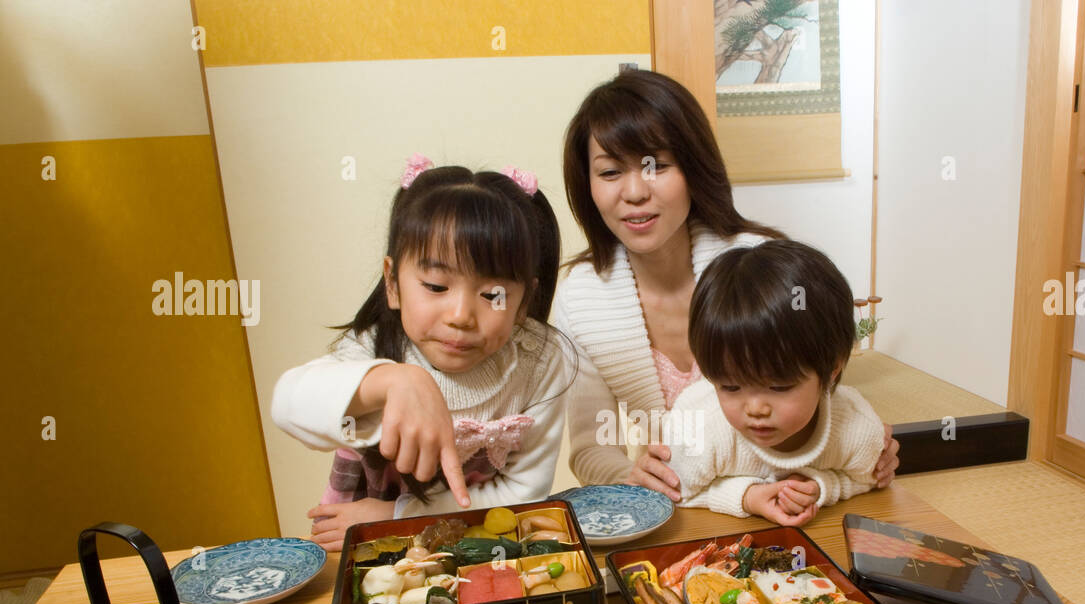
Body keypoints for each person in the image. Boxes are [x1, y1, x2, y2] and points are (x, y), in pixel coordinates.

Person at [550, 69, 900, 499]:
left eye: (656, 165)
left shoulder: (758, 260)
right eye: (608, 173)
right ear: (586, 184)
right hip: (682, 500)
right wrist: (631, 476)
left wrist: (867, 443)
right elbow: (591, 448)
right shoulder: (581, 298)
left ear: (694, 167)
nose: (635, 191)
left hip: (795, 499)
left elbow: (817, 383)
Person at [271, 158, 571, 550]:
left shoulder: (538, 359)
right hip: (366, 544)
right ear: (392, 283)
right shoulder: (373, 349)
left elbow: (524, 492)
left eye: (492, 295)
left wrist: (398, 516)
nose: (461, 316)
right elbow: (286, 405)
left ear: (523, 300)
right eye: (435, 286)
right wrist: (393, 381)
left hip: (478, 543)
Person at [664, 241, 886, 526]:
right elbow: (675, 491)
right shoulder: (700, 430)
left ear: (833, 368)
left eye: (779, 387)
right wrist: (748, 497)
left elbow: (867, 478)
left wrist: (822, 487)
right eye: (731, 387)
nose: (755, 408)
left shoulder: (856, 428)